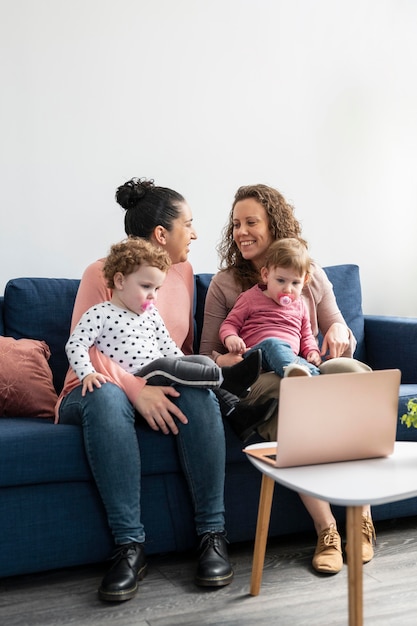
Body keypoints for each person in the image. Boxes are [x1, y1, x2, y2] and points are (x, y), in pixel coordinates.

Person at [57, 177, 263, 603]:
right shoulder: (101, 273)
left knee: (199, 391)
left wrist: (215, 364)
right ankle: (129, 546)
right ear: (161, 234)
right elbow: (86, 349)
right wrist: (134, 390)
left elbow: (177, 350)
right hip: (93, 386)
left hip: (155, 379)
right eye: (189, 224)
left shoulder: (183, 273)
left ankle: (212, 535)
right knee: (108, 397)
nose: (196, 233)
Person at [199, 183, 375, 575]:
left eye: (250, 222)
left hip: (308, 364)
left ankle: (360, 517)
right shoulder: (226, 285)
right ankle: (326, 528)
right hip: (257, 374)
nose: (240, 232)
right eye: (235, 224)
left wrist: (339, 336)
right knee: (290, 394)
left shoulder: (307, 274)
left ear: (274, 223)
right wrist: (229, 354)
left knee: (351, 374)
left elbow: (340, 331)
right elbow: (205, 354)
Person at [65, 236, 261, 399]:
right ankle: (227, 378)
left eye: (157, 288)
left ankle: (234, 408)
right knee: (163, 365)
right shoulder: (100, 313)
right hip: (136, 377)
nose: (153, 295)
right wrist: (87, 373)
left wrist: (188, 365)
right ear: (120, 281)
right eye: (146, 286)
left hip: (160, 374)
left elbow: (168, 346)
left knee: (203, 362)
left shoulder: (151, 314)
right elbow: (76, 345)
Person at [220, 238, 321, 381]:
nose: (287, 289)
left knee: (312, 367)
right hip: (255, 358)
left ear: (304, 281)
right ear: (266, 275)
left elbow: (306, 336)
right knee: (272, 343)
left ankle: (313, 378)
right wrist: (231, 337)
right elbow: (229, 324)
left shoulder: (300, 305)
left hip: (288, 359)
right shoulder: (249, 298)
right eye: (280, 280)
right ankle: (301, 377)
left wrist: (312, 351)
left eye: (295, 283)